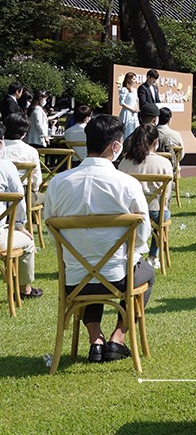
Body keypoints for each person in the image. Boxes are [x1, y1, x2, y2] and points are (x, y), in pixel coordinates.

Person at [44, 114, 154, 363]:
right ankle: (119, 336)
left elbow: (52, 230)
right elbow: (142, 232)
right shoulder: (127, 184)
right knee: (147, 273)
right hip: (118, 276)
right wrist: (131, 252)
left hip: (74, 277)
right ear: (116, 146)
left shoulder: (58, 183)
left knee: (89, 269)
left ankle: (96, 339)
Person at [117, 123, 173, 270]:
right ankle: (154, 256)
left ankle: (134, 252)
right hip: (155, 211)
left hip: (128, 211)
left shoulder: (124, 163)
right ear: (156, 142)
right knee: (163, 214)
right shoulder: (164, 163)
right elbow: (167, 194)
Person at [0, 122, 39, 300]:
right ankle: (25, 289)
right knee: (29, 242)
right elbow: (19, 198)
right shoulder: (6, 167)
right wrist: (19, 225)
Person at [118, 72, 139, 138]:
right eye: (133, 79)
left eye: (135, 79)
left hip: (134, 113)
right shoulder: (124, 89)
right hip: (127, 112)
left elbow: (136, 100)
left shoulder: (135, 90)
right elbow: (121, 102)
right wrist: (131, 109)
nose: (134, 81)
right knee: (127, 130)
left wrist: (136, 109)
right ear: (128, 79)